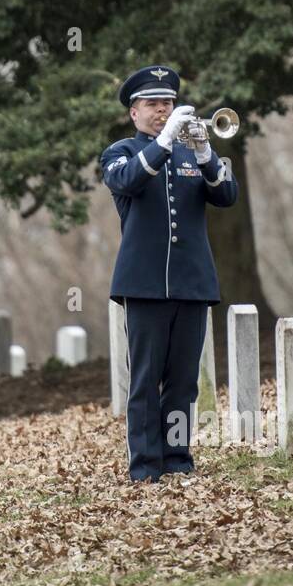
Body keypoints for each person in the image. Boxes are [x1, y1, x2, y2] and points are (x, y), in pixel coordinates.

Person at [99, 65, 238, 483]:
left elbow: (227, 195)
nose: (162, 110)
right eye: (153, 104)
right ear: (133, 112)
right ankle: (144, 467)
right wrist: (163, 141)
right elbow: (127, 181)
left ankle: (177, 460)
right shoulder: (121, 153)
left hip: (192, 283)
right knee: (144, 381)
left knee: (183, 382)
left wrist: (204, 154)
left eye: (168, 104)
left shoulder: (190, 154)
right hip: (144, 285)